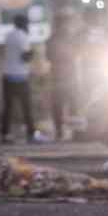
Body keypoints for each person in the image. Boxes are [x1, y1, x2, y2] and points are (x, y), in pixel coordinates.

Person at [2, 14, 37, 144]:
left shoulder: (8, 35)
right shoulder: (23, 36)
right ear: (24, 24)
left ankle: (5, 134)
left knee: (8, 107)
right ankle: (31, 134)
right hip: (21, 76)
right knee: (27, 107)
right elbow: (25, 57)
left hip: (7, 75)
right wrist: (32, 53)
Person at [46, 11, 79, 140]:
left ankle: (71, 131)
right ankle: (63, 130)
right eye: (66, 23)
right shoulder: (67, 39)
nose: (67, 25)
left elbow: (49, 57)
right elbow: (50, 56)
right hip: (62, 76)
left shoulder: (55, 39)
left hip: (64, 75)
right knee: (64, 103)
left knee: (68, 103)